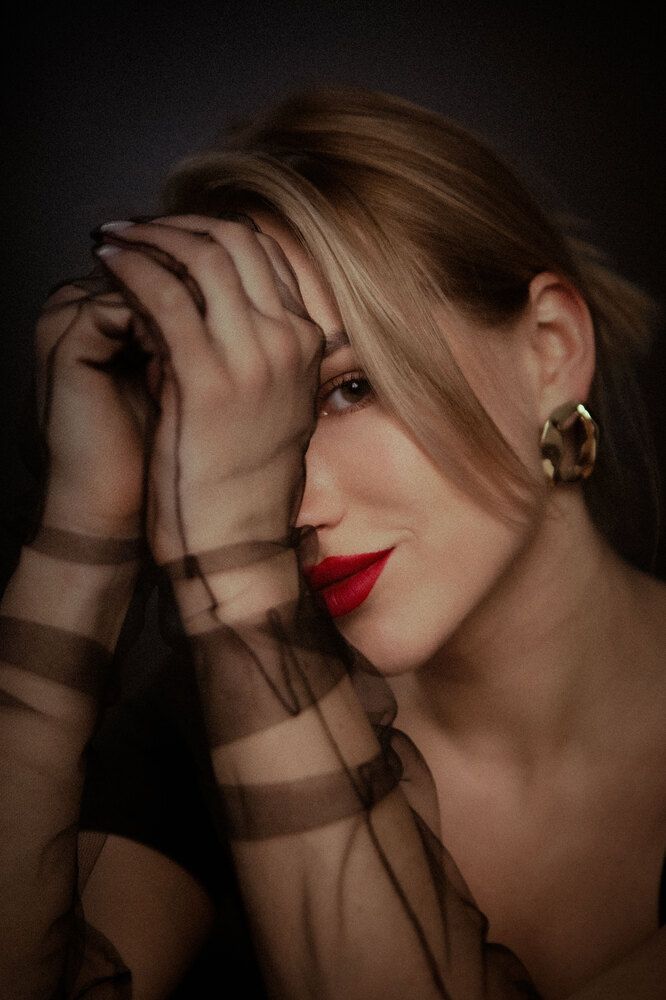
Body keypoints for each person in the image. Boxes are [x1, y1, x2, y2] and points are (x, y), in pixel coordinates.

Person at [0, 85, 664, 1000]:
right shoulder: (212, 728)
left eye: (350, 389)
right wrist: (83, 529)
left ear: (549, 348)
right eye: (251, 424)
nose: (293, 507)